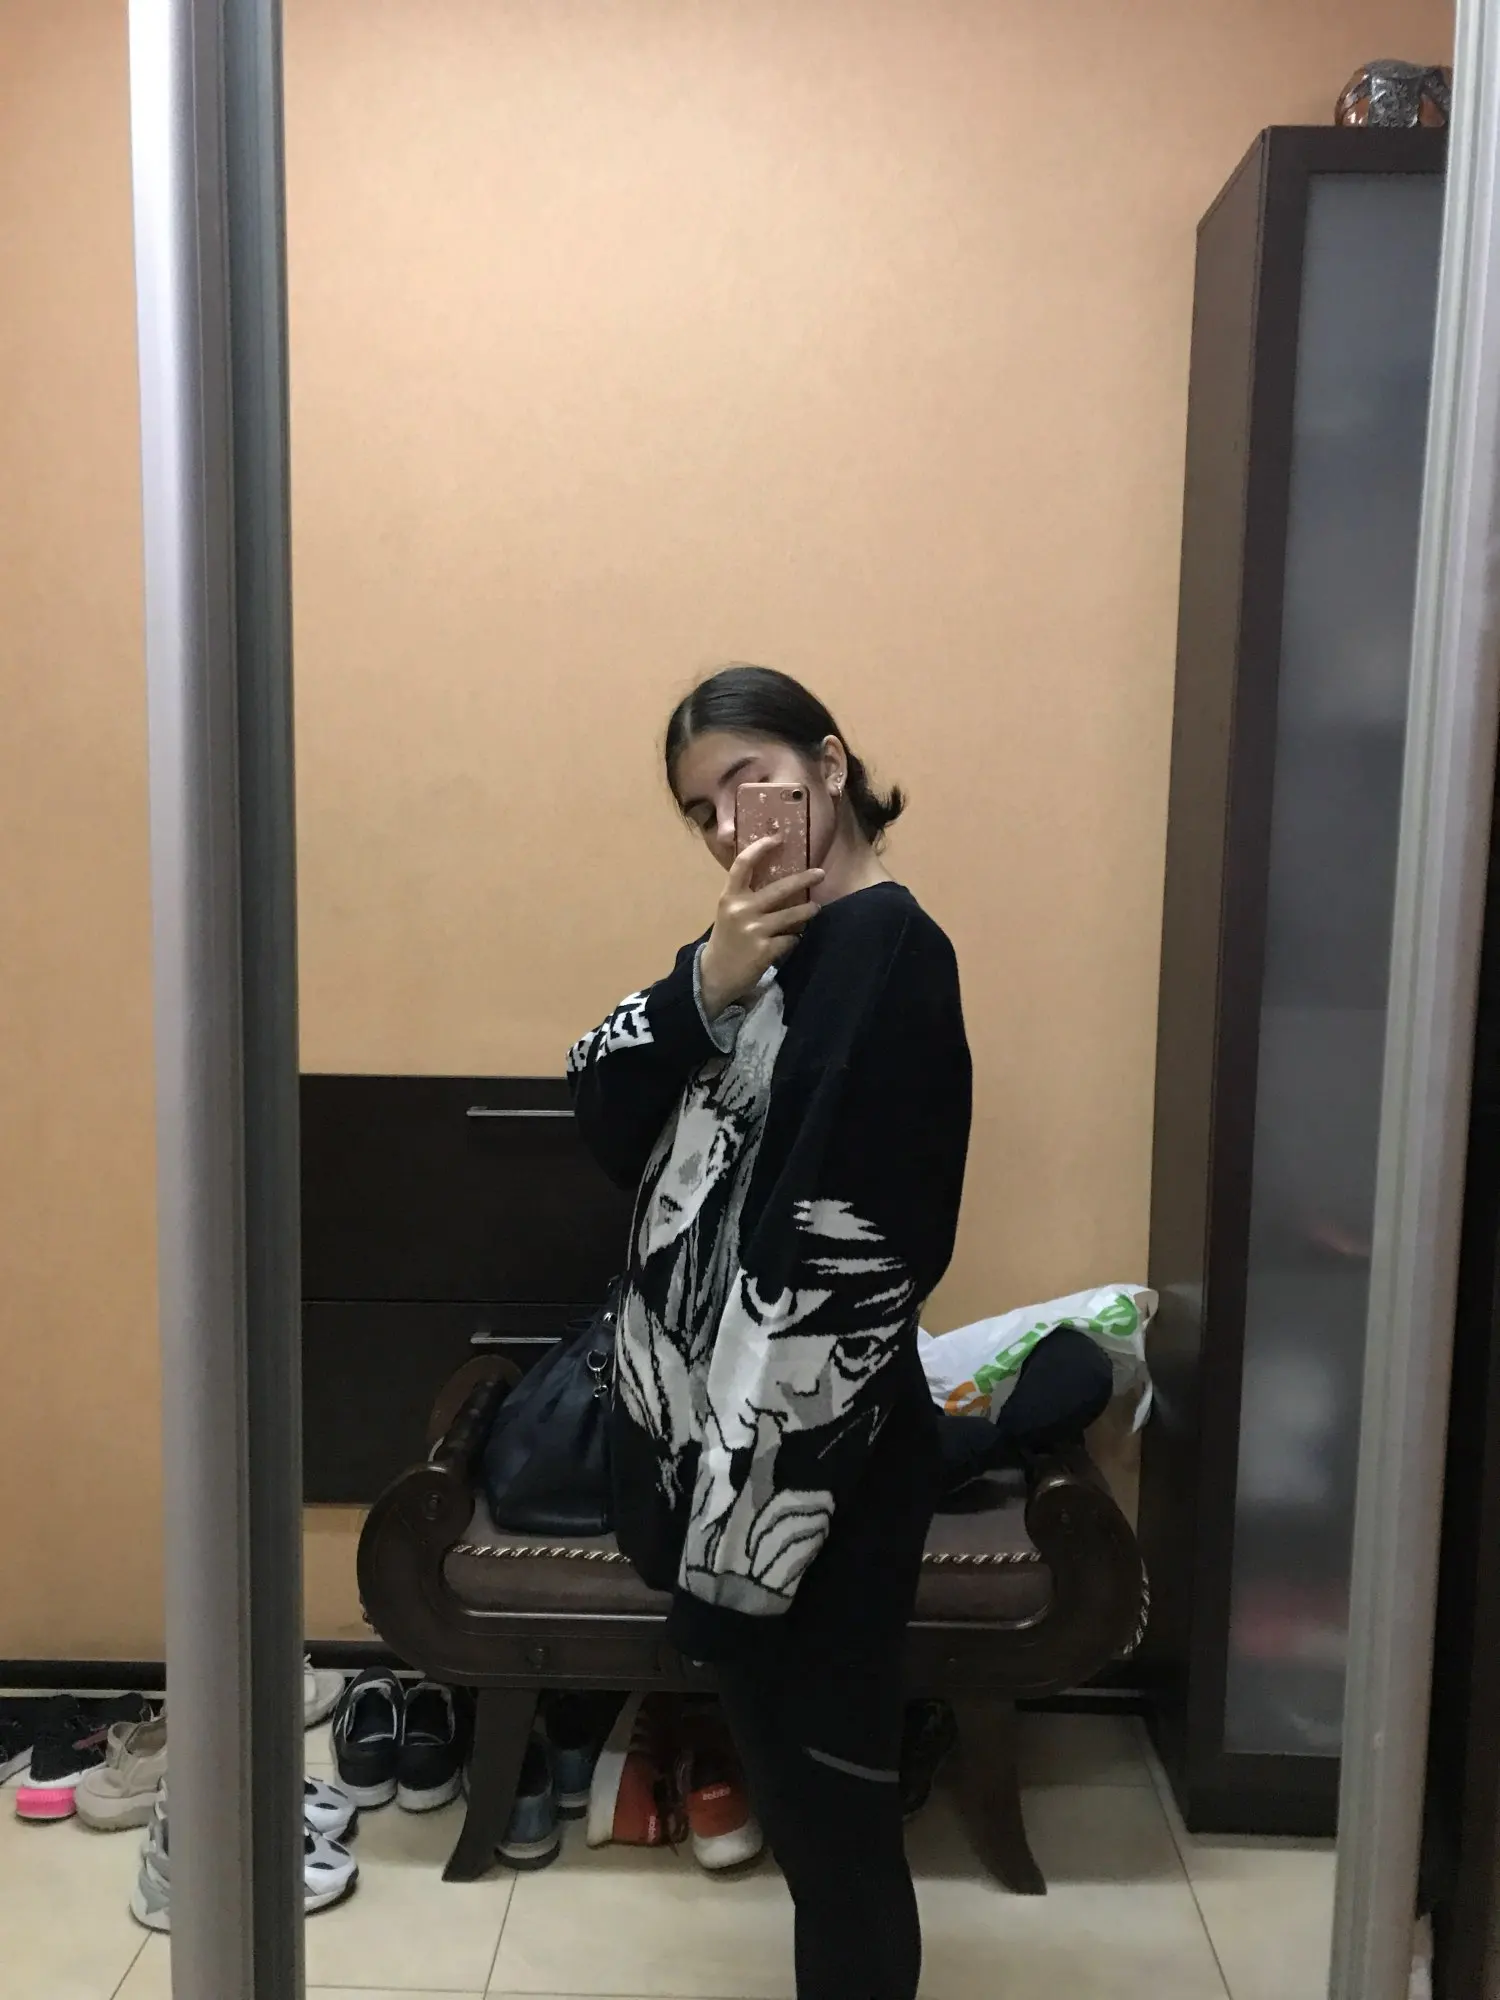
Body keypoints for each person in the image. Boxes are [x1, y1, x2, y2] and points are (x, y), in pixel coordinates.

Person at [566, 663, 971, 2000]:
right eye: (702, 811)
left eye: (752, 782)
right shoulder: (751, 953)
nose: (731, 825)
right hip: (731, 1468)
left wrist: (739, 1545)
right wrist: (707, 981)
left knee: (837, 1833)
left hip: (810, 1476)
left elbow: (845, 1268)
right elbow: (597, 1099)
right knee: (807, 1822)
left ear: (830, 767)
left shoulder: (892, 953)